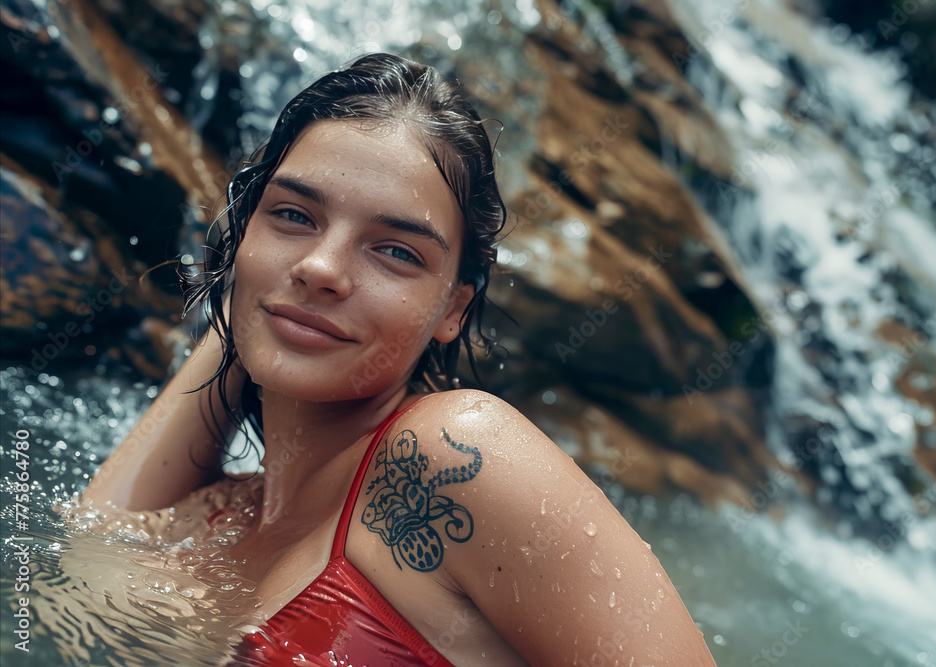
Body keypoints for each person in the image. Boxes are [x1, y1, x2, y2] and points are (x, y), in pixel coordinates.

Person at [80, 53, 717, 666]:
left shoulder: (454, 459)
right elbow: (88, 557)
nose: (321, 267)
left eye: (396, 252)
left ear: (453, 310)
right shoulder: (217, 515)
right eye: (293, 214)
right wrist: (259, 295)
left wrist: (278, 295)